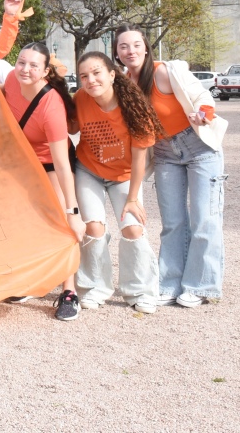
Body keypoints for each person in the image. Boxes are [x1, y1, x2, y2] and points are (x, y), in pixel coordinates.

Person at [114, 24, 227, 308]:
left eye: (136, 45)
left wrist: (203, 114)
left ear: (147, 47)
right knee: (173, 222)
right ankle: (170, 282)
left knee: (205, 218)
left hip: (199, 148)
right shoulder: (125, 84)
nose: (131, 51)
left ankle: (202, 285)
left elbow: (201, 98)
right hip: (164, 152)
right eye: (124, 46)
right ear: (116, 52)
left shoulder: (165, 72)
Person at [72, 52, 163, 314]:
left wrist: (133, 199)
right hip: (89, 169)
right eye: (84, 76)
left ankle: (140, 291)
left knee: (133, 229)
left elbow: (139, 160)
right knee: (93, 227)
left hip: (124, 176)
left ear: (113, 74)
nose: (91, 80)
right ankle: (93, 288)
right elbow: (67, 125)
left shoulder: (134, 107)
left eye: (97, 72)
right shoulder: (80, 99)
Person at [2, 43, 85, 321]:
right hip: (23, 159)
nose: (25, 69)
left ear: (45, 71)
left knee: (61, 223)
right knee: (21, 220)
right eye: (21, 62)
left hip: (50, 162)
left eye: (33, 65)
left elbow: (62, 164)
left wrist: (73, 212)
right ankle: (30, 282)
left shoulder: (52, 105)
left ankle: (69, 292)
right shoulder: (11, 80)